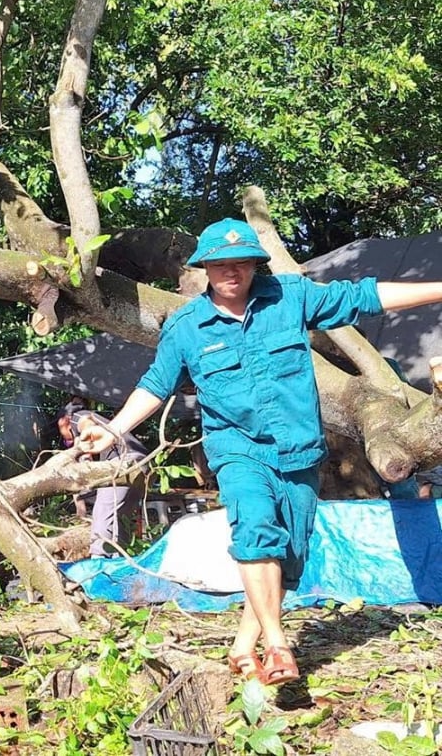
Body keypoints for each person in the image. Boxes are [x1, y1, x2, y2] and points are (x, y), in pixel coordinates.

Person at [74, 217, 442, 687]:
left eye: (242, 263)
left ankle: (243, 644)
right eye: (222, 264)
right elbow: (155, 384)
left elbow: (365, 296)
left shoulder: (290, 298)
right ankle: (277, 643)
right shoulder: (188, 327)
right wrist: (113, 430)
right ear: (205, 267)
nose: (233, 272)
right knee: (255, 534)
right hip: (239, 450)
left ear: (255, 264)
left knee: (288, 557)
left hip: (300, 453)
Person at [59, 402, 148, 558]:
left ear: (64, 420)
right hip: (143, 463)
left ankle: (99, 562)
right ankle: (119, 560)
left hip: (125, 461)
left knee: (102, 512)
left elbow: (87, 422)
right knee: (119, 518)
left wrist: (84, 445)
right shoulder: (101, 422)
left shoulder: (78, 417)